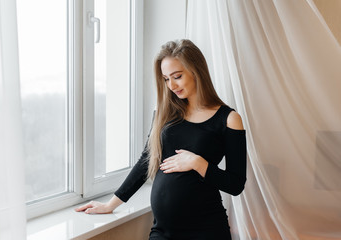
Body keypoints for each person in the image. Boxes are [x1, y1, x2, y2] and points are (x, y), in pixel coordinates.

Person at [75, 39, 247, 240]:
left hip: (207, 229)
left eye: (177, 76)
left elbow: (235, 185)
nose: (171, 85)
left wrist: (197, 163)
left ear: (196, 71)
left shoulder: (228, 119)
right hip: (162, 231)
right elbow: (147, 160)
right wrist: (110, 204)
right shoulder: (164, 113)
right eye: (166, 79)